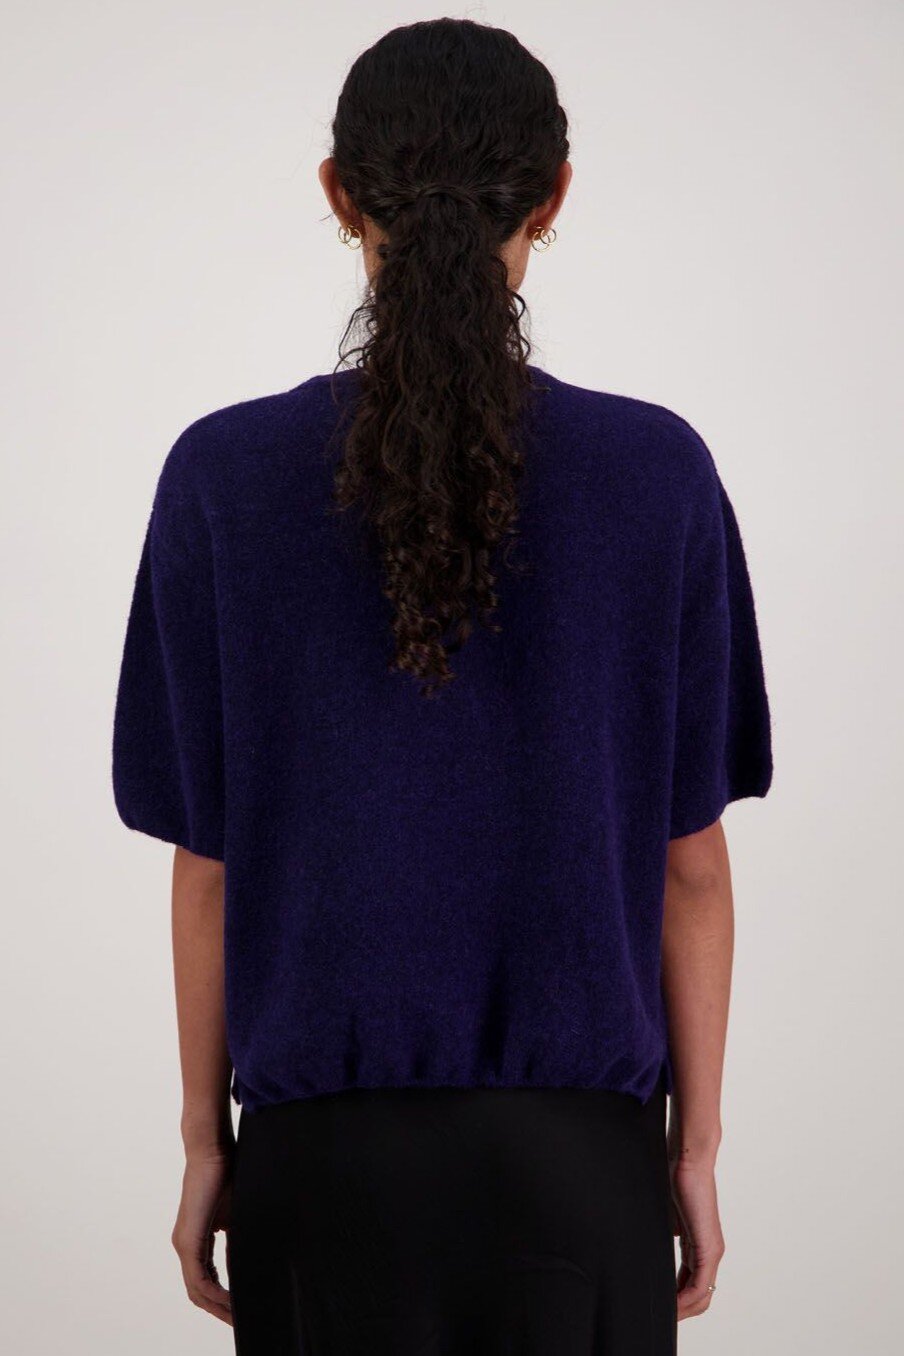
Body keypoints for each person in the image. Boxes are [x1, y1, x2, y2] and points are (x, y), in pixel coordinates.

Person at [111, 17, 772, 1356]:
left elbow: (209, 875)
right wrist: (694, 1151)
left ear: (341, 195)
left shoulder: (222, 480)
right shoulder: (657, 475)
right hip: (581, 1172)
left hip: (320, 1168)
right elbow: (691, 869)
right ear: (553, 197)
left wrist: (204, 1143)